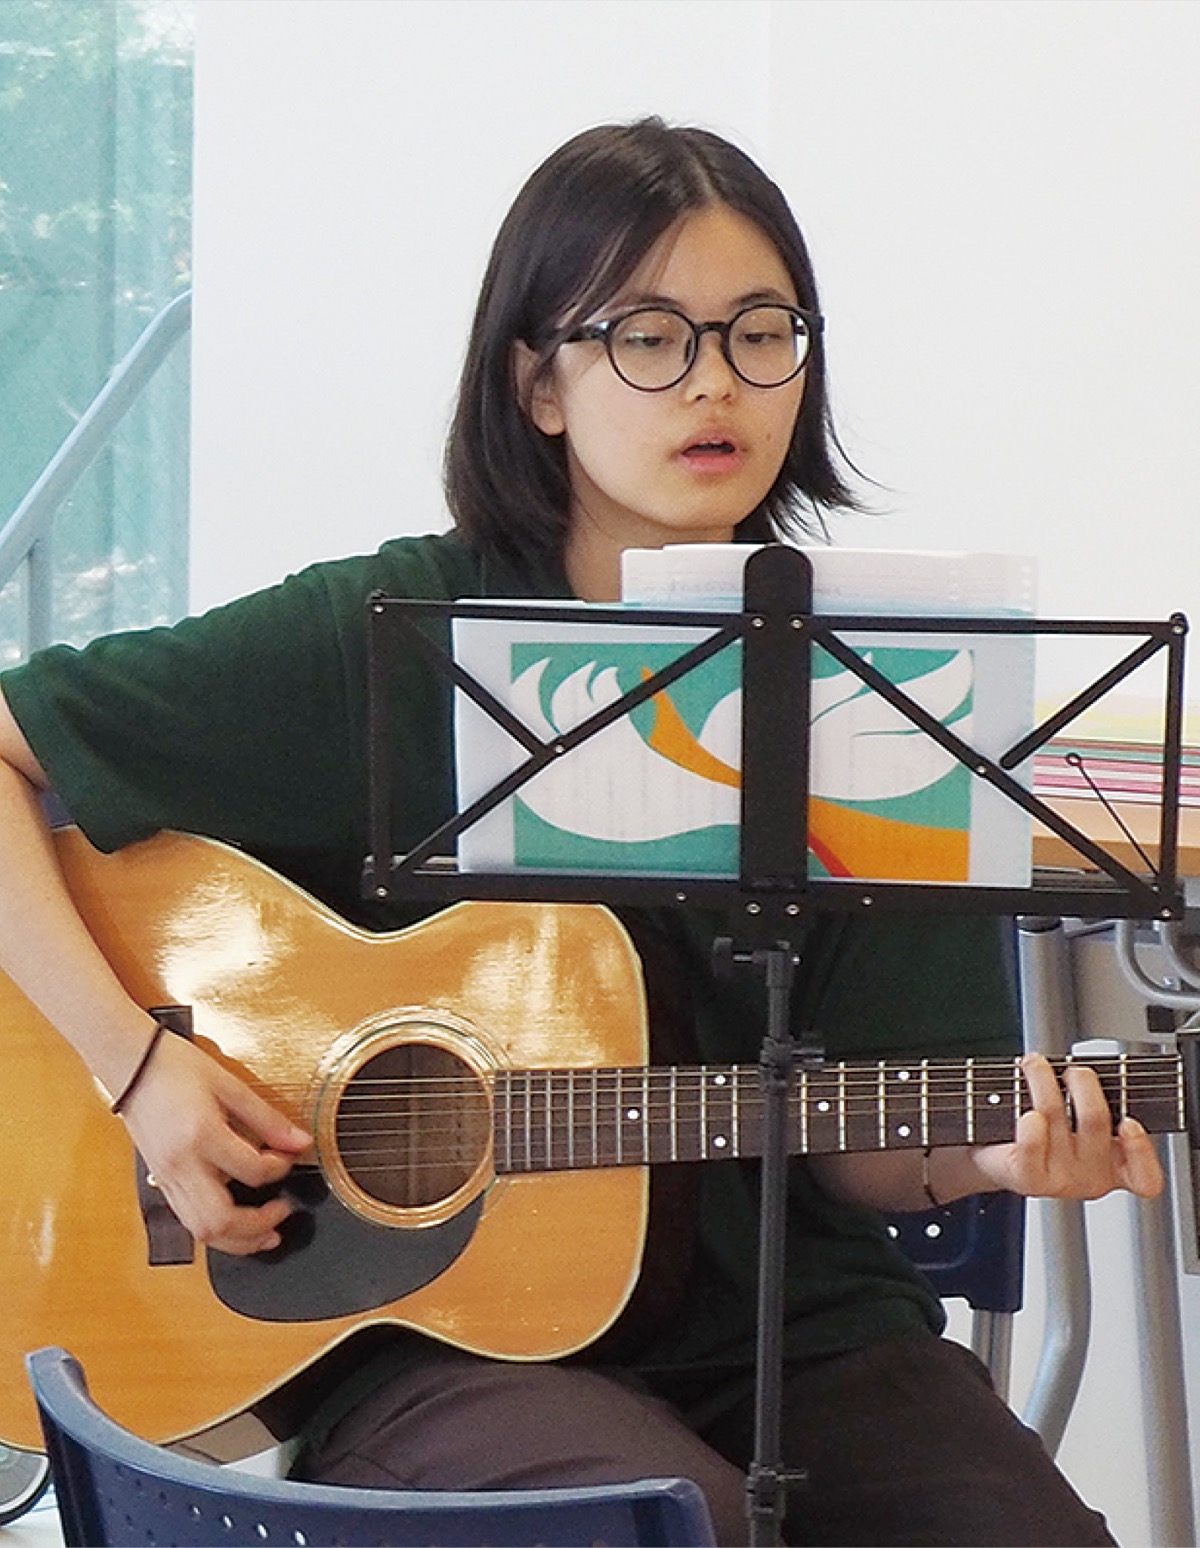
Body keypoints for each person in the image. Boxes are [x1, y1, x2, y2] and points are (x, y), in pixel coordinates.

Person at [0, 118, 1162, 1546]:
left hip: (800, 1329)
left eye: (762, 335)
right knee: (671, 1525)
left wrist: (995, 1157)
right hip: (431, 1349)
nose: (716, 382)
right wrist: (134, 1068)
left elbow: (866, 1146)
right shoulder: (392, 640)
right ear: (537, 384)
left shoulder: (883, 694)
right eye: (649, 338)